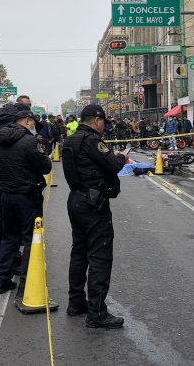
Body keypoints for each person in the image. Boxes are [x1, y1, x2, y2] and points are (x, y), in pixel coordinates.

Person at [62, 104, 126, 329]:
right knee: (100, 255)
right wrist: (120, 157)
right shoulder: (92, 141)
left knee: (79, 253)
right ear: (97, 120)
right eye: (103, 123)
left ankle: (75, 302)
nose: (103, 128)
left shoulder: (69, 139)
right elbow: (112, 165)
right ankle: (97, 313)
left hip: (76, 200)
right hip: (94, 203)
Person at [0, 109, 52, 294]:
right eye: (33, 122)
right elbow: (46, 166)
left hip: (6, 194)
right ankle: (27, 283)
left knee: (9, 238)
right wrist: (41, 152)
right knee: (30, 240)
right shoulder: (29, 142)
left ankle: (2, 280)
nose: (34, 126)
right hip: (27, 195)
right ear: (26, 121)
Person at [0, 102, 32, 269]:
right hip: (16, 181)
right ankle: (14, 258)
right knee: (15, 225)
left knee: (0, 217)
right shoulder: (14, 129)